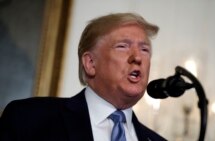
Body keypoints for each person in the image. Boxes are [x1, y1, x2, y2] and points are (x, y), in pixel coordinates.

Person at [0, 12, 167, 141]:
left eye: (145, 49)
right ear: (90, 63)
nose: (138, 57)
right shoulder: (30, 119)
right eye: (123, 46)